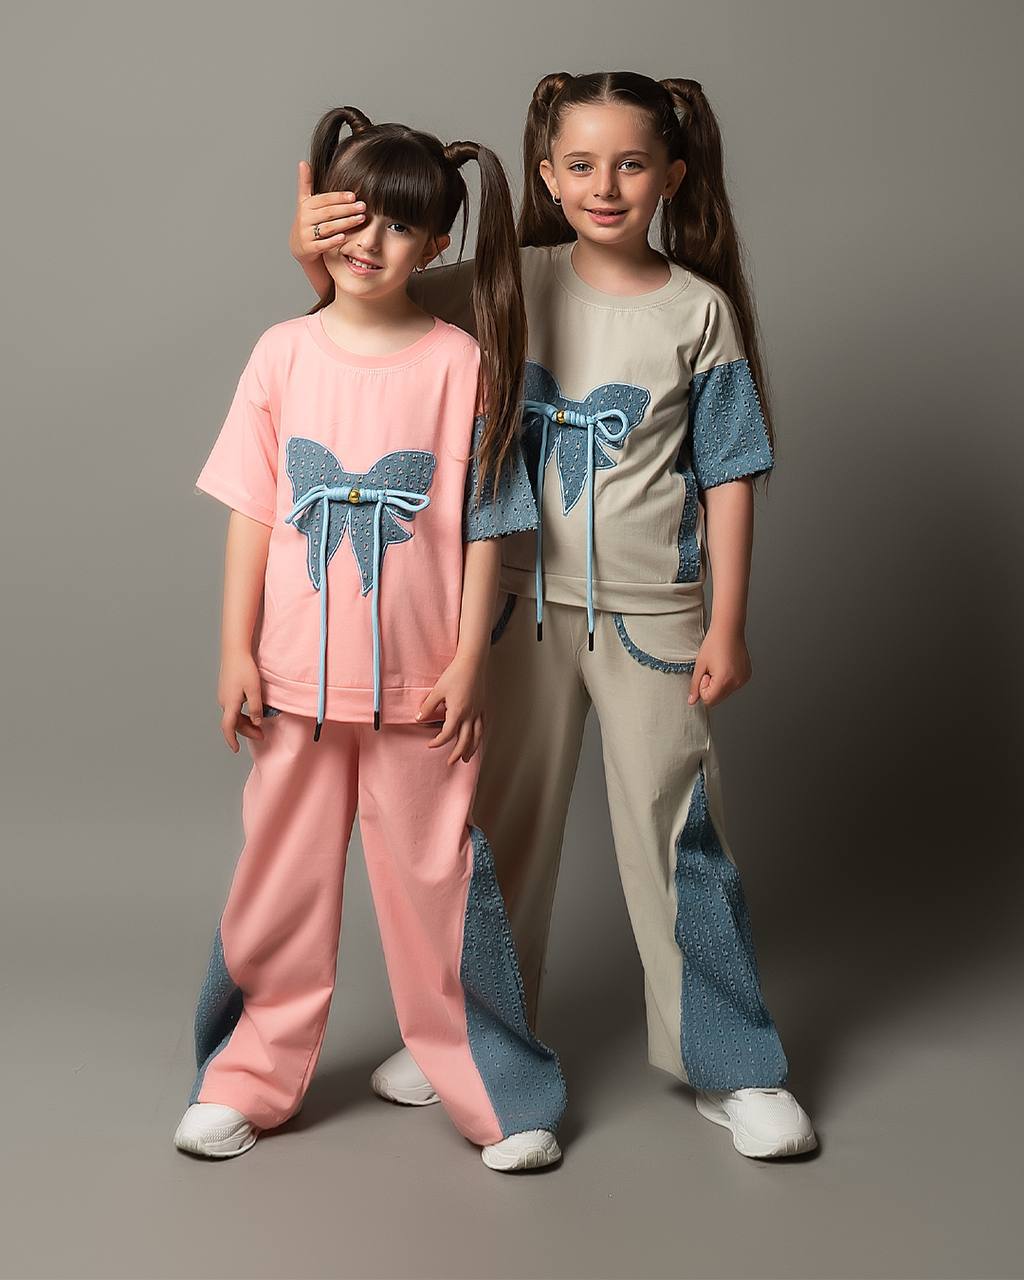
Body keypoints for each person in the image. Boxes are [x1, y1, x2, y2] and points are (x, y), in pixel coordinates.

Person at [291, 73, 817, 1161]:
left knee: (679, 831)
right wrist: (310, 254)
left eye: (630, 164)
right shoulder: (509, 280)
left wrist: (727, 623)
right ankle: (471, 1046)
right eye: (580, 165)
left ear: (672, 175)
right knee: (489, 834)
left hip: (654, 620)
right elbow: (367, 305)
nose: (604, 185)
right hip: (508, 617)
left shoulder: (698, 310)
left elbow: (728, 472)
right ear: (545, 175)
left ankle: (732, 1063)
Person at [174, 105, 565, 1173]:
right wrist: (235, 650)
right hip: (293, 683)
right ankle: (245, 1077)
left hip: (423, 688)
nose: (370, 243)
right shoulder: (281, 353)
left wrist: (469, 660)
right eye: (354, 217)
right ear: (324, 220)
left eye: (399, 227)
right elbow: (252, 511)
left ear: (435, 246)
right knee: (279, 885)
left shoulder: (461, 364)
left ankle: (494, 1090)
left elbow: (486, 521)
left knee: (441, 889)